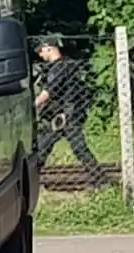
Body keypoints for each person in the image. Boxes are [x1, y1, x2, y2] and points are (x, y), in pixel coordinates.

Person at [34, 38, 104, 186]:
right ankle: (101, 181)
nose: (40, 54)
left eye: (40, 50)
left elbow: (49, 92)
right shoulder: (66, 65)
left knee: (71, 148)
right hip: (63, 115)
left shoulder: (58, 68)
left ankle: (102, 182)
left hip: (66, 116)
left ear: (49, 48)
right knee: (43, 147)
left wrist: (33, 105)